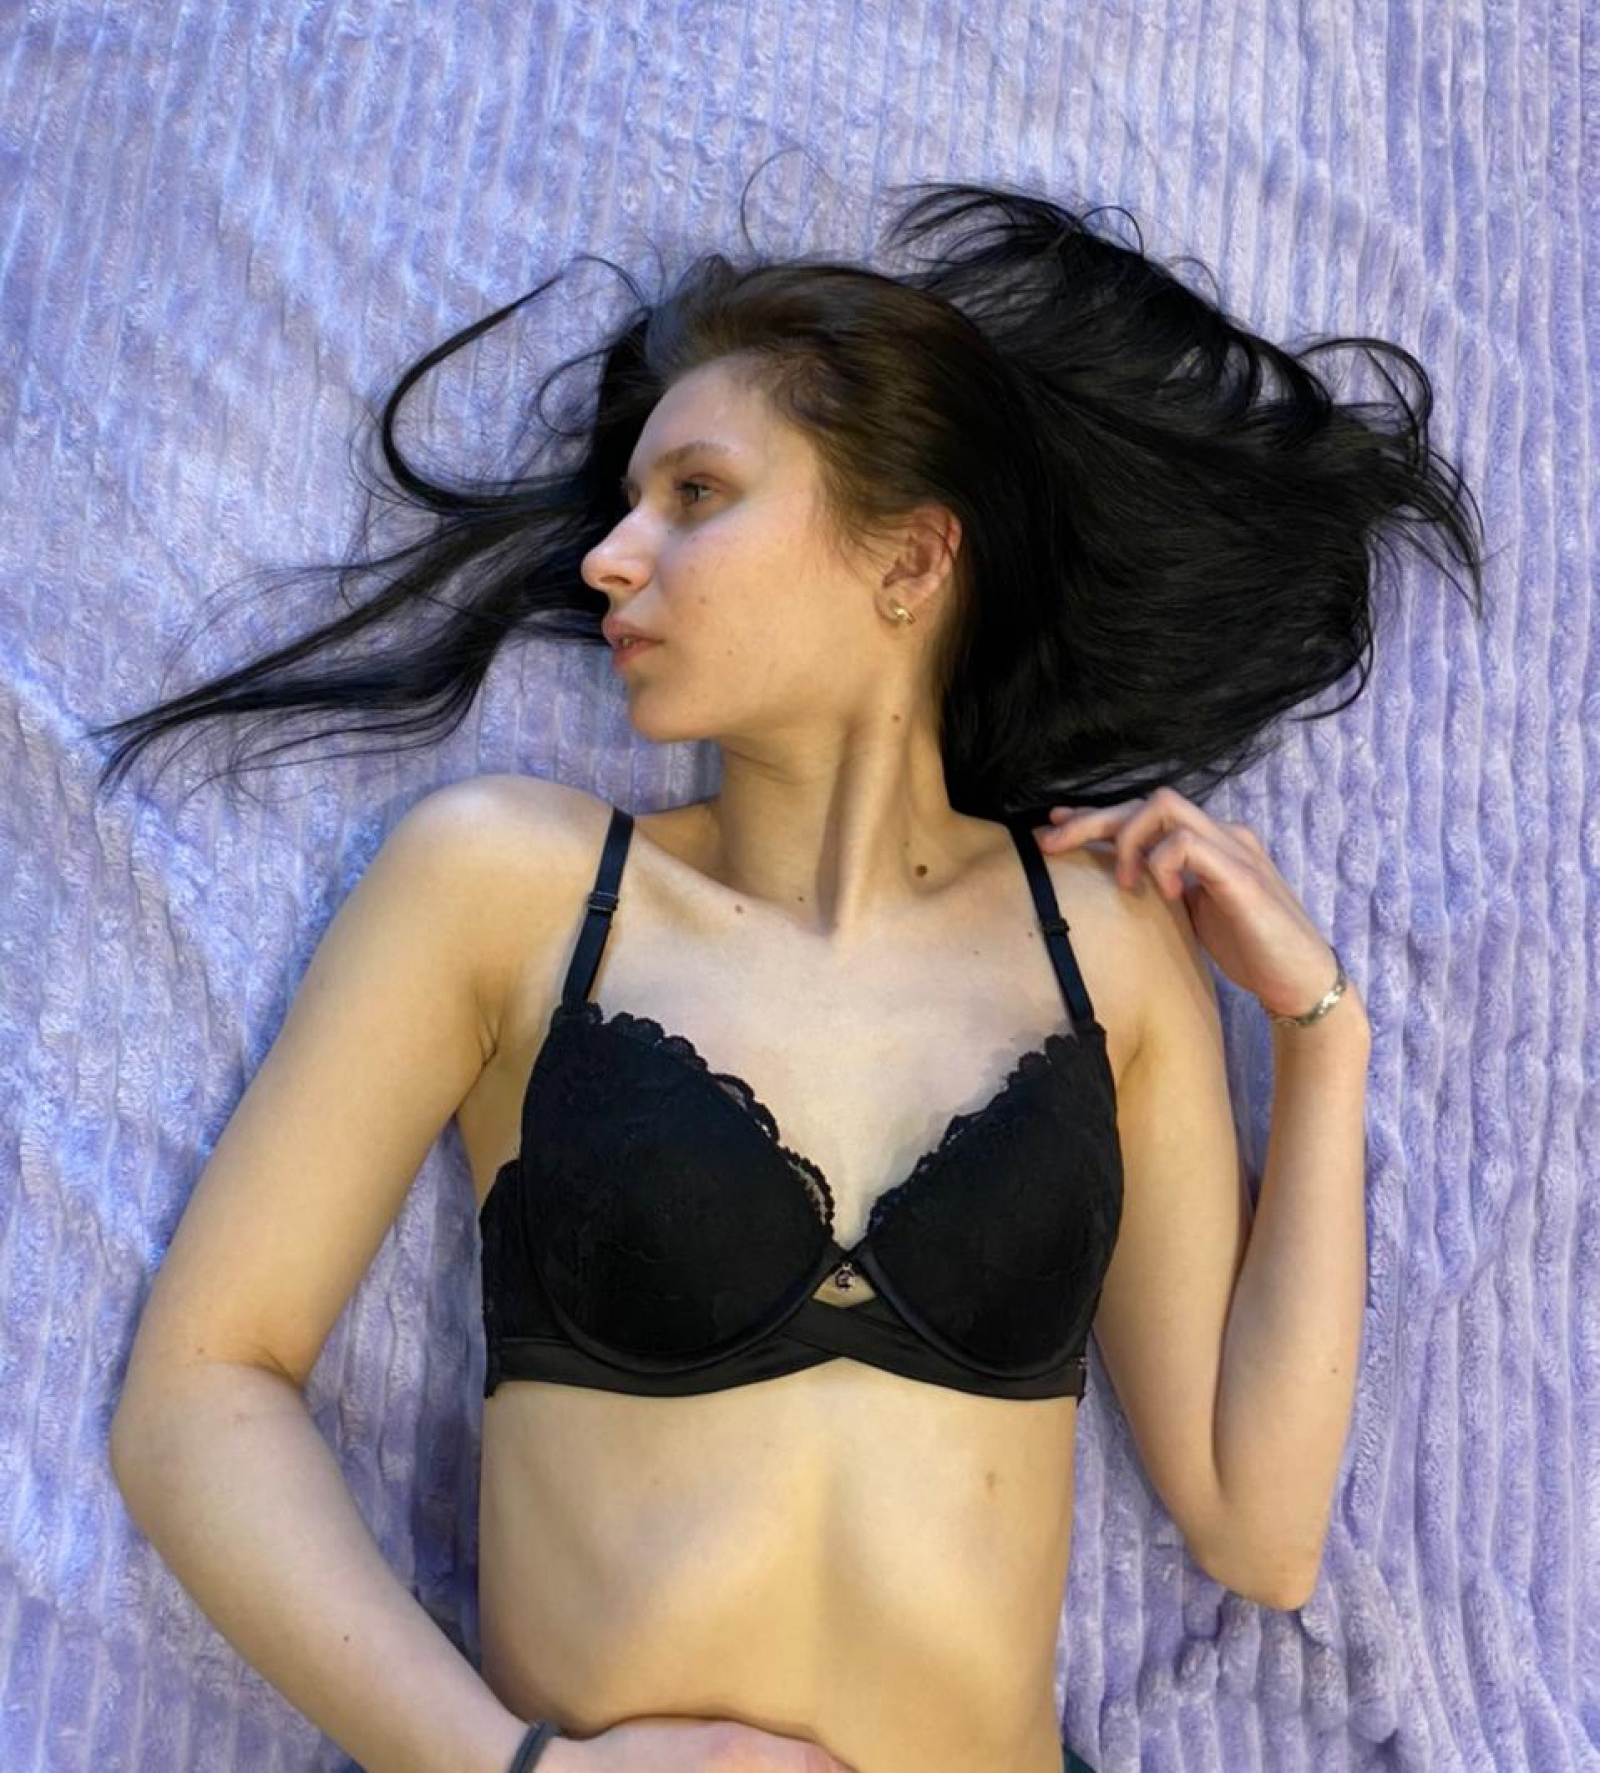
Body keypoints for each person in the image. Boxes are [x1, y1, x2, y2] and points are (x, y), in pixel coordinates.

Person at [90, 177, 1488, 1773]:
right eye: (627, 505)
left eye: (695, 493)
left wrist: (1319, 1034)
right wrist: (518, 1770)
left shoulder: (1101, 948)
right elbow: (195, 1396)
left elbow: (1261, 1526)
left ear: (911, 557)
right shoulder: (510, 885)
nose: (611, 557)